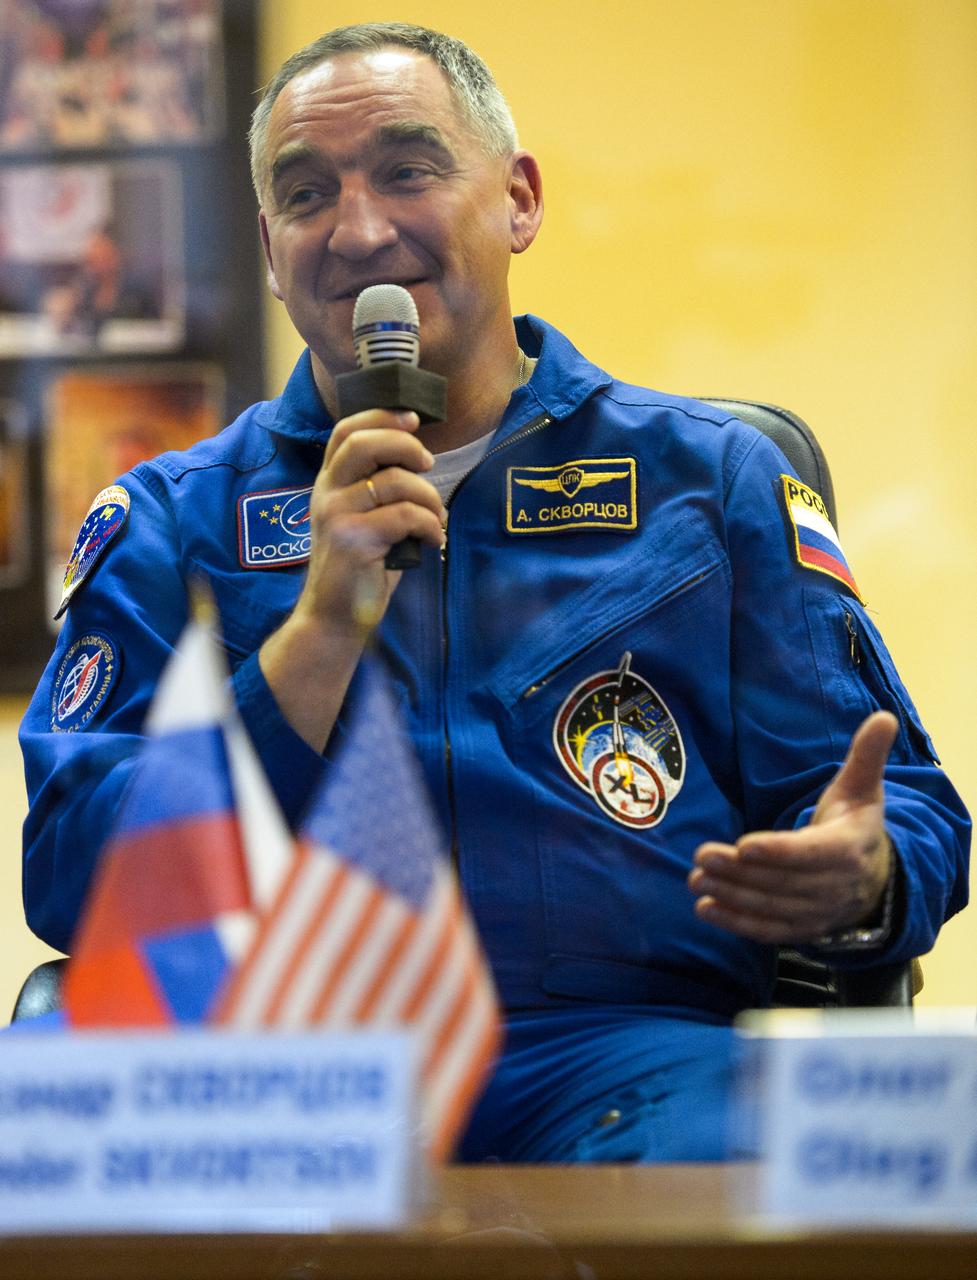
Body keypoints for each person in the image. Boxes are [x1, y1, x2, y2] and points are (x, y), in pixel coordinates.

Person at [20, 23, 969, 1162]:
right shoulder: (170, 517)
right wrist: (315, 635)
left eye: (408, 170)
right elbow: (75, 877)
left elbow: (897, 804)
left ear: (517, 201)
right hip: (277, 1071)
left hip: (626, 1059)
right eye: (307, 193)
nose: (360, 229)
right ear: (271, 250)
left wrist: (864, 876)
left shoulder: (709, 481)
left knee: (856, 1154)